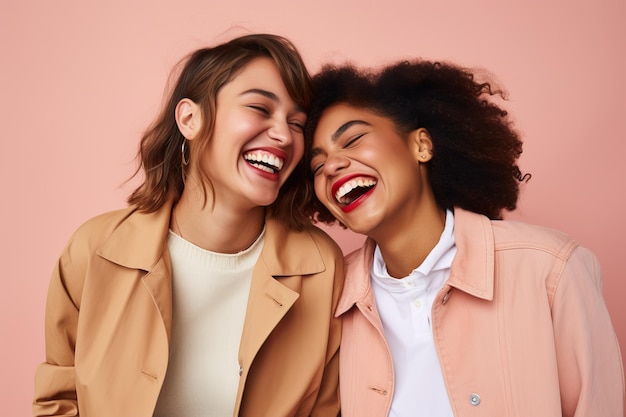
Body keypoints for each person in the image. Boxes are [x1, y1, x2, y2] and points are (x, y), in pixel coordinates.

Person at [33, 33, 344, 417]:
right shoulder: (95, 250)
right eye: (260, 109)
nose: (283, 134)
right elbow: (59, 400)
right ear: (190, 118)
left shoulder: (321, 269)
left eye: (296, 123)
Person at [304, 60, 624, 416]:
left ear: (421, 145)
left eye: (353, 139)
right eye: (317, 166)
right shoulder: (329, 296)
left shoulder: (550, 268)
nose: (332, 166)